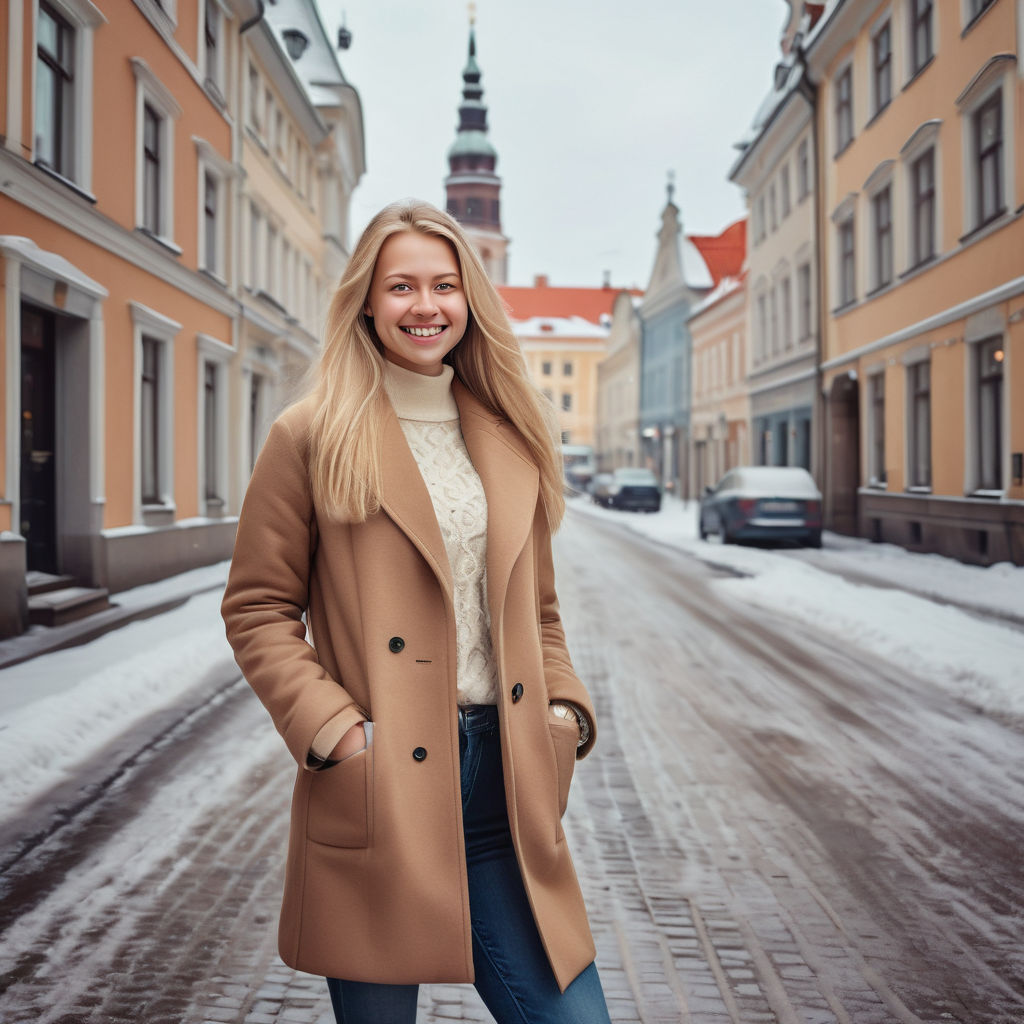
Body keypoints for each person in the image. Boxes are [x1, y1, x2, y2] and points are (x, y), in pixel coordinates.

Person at [221, 200, 612, 1024]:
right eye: (401, 286)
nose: (425, 306)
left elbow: (537, 610)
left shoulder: (509, 436)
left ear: (471, 299)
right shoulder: (313, 436)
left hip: (506, 781)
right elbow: (259, 608)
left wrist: (564, 712)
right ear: (367, 299)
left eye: (444, 285)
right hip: (381, 777)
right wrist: (334, 732)